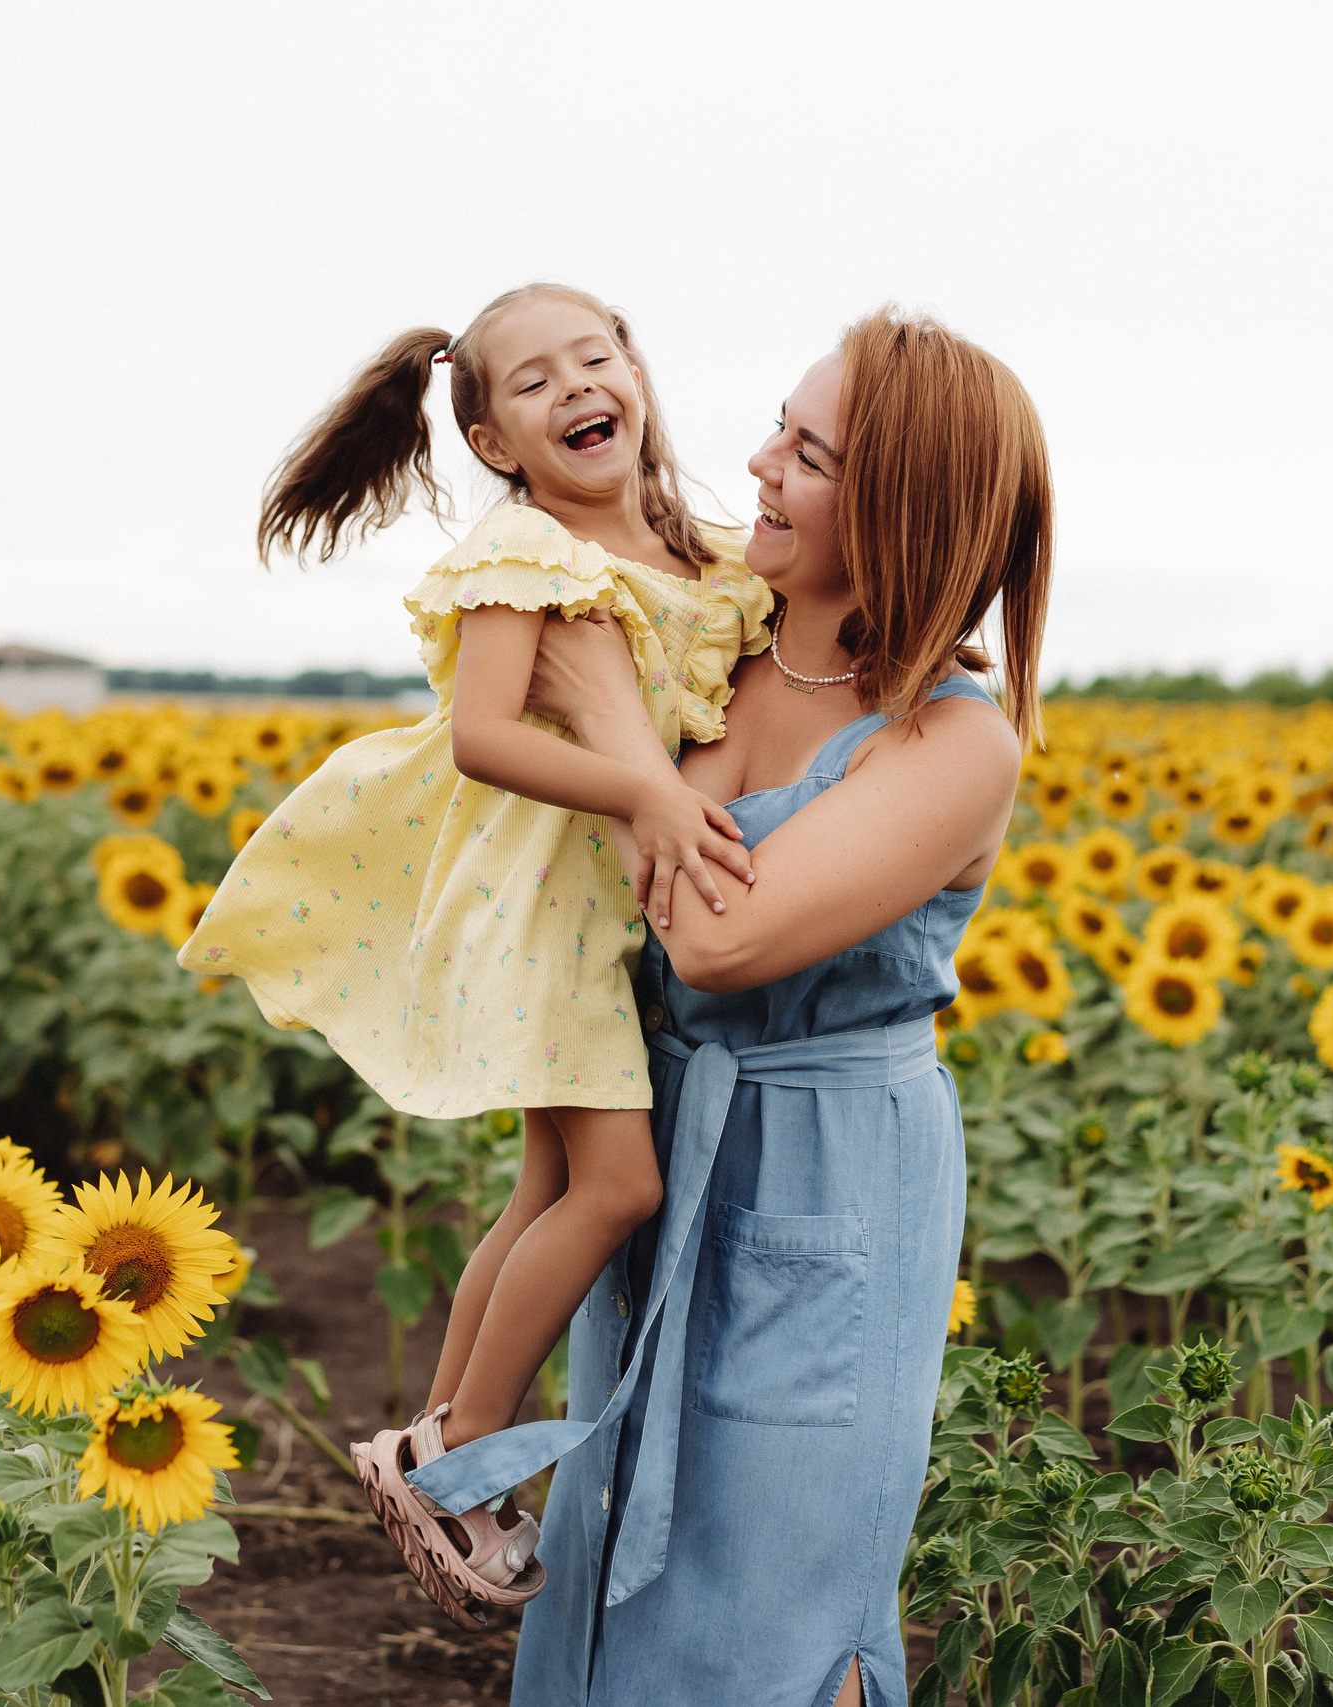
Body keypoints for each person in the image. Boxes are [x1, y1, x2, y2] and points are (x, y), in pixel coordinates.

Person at [404, 306, 1050, 1705]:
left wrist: (613, 722)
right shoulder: (713, 649)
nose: (755, 461)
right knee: (605, 1559)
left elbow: (716, 937)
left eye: (807, 453)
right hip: (667, 1136)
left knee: (763, 1598)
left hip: (831, 1179)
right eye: (778, 424)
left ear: (901, 510)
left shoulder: (952, 742)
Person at [177, 283, 773, 1619]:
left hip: (593, 916)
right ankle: (458, 1454)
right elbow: (482, 735)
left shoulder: (705, 552)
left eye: (597, 356)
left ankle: (435, 1435)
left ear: (637, 371)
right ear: (495, 440)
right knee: (617, 1190)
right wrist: (639, 793)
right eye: (535, 381)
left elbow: (807, 634)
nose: (577, 387)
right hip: (539, 908)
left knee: (549, 1185)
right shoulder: (529, 552)